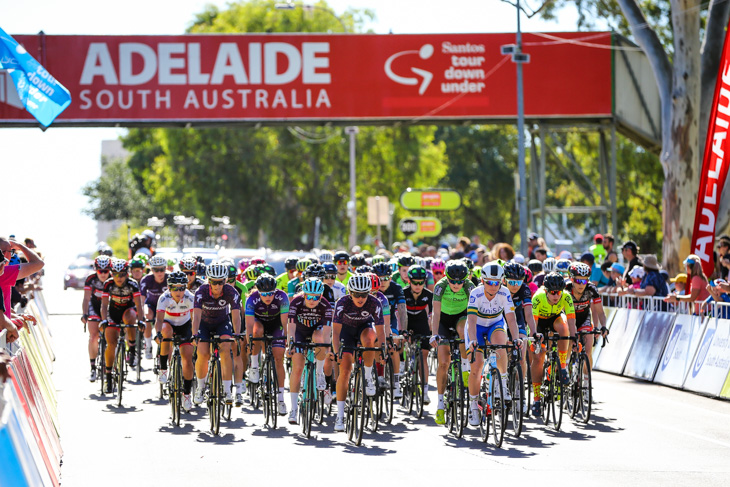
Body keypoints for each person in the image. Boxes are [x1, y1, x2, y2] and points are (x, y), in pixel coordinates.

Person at [465, 262, 522, 426]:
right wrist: (473, 340)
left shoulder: (504, 293)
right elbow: (472, 319)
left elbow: (511, 318)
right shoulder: (476, 294)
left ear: (502, 281)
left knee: (501, 345)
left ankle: (503, 385)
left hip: (495, 324)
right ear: (482, 280)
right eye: (489, 282)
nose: (493, 286)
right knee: (477, 365)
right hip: (477, 326)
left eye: (496, 282)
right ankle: (473, 406)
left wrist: (516, 337)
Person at [332, 275, 383, 432]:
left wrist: (382, 350)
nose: (360, 298)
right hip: (345, 333)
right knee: (345, 371)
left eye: (364, 295)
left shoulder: (375, 303)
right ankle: (340, 416)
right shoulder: (342, 303)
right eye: (356, 294)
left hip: (364, 329)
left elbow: (381, 332)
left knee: (370, 338)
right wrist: (336, 352)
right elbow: (335, 333)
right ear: (349, 292)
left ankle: (367, 377)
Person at [430, 261, 475, 417]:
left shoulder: (470, 286)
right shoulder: (440, 286)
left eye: (460, 281)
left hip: (460, 317)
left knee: (464, 330)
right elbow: (435, 313)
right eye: (453, 281)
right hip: (442, 320)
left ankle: (464, 368)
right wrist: (434, 334)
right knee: (443, 362)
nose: (456, 284)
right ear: (446, 277)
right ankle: (440, 404)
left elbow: (474, 312)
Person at [192, 262, 241, 406]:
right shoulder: (201, 292)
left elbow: (236, 316)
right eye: (214, 282)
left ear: (225, 281)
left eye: (221, 282)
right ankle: (201, 387)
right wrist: (195, 334)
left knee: (226, 348)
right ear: (208, 280)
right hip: (204, 323)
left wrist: (237, 334)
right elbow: (196, 317)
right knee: (203, 353)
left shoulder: (231, 292)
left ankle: (227, 390)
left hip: (222, 322)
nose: (218, 286)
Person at [286, 278, 332, 424]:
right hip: (299, 332)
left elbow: (326, 333)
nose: (312, 300)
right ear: (304, 294)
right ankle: (293, 409)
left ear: (321, 296)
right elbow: (291, 328)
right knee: (298, 368)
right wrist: (290, 345)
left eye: (316, 297)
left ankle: (319, 373)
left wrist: (327, 348)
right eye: (309, 296)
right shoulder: (296, 302)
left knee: (320, 338)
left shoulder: (325, 305)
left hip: (316, 332)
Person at [530, 272, 576, 417]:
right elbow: (533, 323)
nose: (556, 296)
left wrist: (574, 339)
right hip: (539, 323)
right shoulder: (538, 297)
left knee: (564, 328)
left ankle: (562, 366)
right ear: (546, 290)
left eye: (559, 292)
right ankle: (536, 399)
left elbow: (571, 320)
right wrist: (535, 340)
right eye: (552, 292)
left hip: (554, 318)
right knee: (538, 357)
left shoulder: (566, 296)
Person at [245, 274, 290, 415]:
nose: (268, 297)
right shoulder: (252, 299)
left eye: (271, 293)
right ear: (258, 292)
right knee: (257, 331)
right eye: (264, 294)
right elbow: (249, 325)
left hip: (276, 325)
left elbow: (285, 322)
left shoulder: (282, 297)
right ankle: (254, 366)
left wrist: (287, 339)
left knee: (278, 359)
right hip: (259, 323)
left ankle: (281, 399)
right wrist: (249, 341)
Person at [99, 258, 145, 393]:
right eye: (115, 274)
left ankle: (131, 347)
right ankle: (108, 376)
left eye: (122, 274)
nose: (119, 278)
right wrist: (103, 320)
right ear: (111, 274)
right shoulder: (108, 284)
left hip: (127, 312)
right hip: (112, 313)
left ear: (127, 274)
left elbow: (138, 305)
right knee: (111, 344)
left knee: (131, 315)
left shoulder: (133, 284)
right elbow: (104, 305)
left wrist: (141, 320)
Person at [155, 272, 196, 411]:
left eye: (182, 288)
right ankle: (163, 369)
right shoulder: (164, 298)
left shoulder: (190, 297)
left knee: (187, 358)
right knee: (166, 331)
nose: (179, 292)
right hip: (168, 323)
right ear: (169, 288)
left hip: (185, 325)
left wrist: (195, 335)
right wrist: (158, 334)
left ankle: (187, 394)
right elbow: (159, 320)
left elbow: (194, 319)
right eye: (175, 288)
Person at [565, 263, 608, 369]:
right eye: (578, 281)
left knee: (588, 351)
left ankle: (586, 379)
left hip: (584, 319)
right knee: (569, 342)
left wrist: (603, 326)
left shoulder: (591, 289)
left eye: (584, 281)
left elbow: (600, 312)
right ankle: (564, 367)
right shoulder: (566, 288)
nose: (581, 285)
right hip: (569, 318)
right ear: (571, 279)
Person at [403, 265, 433, 408]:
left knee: (423, 356)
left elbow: (433, 315)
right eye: (415, 282)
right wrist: (402, 331)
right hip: (407, 322)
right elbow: (398, 314)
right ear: (409, 281)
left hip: (421, 323)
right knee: (400, 344)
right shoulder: (402, 293)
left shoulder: (429, 295)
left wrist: (433, 332)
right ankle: (403, 366)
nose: (418, 285)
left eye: (421, 282)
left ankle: (425, 391)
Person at [81, 255, 112, 382]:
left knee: (111, 337)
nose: (103, 274)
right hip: (94, 306)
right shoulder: (90, 279)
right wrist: (84, 314)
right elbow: (86, 298)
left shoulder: (113, 278)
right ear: (96, 270)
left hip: (109, 307)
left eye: (106, 271)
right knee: (93, 336)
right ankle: (93, 367)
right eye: (100, 271)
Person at [0, 237, 44, 317]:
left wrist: (18, 316)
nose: (12, 255)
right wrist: (20, 246)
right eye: (11, 252)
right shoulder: (5, 272)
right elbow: (39, 263)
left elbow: (3, 312)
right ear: (5, 253)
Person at [139, 255, 168, 360]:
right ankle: (148, 345)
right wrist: (141, 313)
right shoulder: (146, 279)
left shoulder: (170, 278)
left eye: (162, 269)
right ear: (151, 270)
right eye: (156, 270)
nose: (159, 273)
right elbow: (142, 299)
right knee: (147, 316)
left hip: (165, 306)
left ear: (166, 268)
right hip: (151, 304)